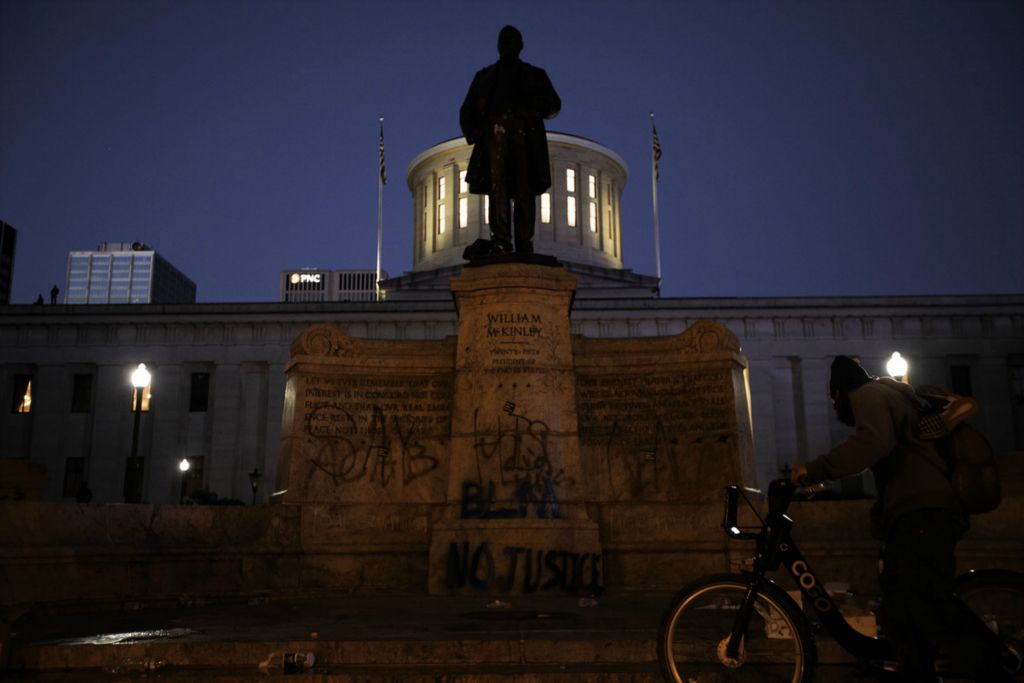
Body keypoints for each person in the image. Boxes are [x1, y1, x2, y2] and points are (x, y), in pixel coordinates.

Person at [791, 356, 1010, 682]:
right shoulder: (893, 397)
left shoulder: (867, 394)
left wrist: (813, 468)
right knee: (899, 613)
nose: (838, 410)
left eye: (834, 400)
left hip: (922, 512)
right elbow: (891, 455)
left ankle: (993, 668)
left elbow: (872, 443)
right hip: (918, 512)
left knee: (927, 603)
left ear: (840, 393)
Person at [460, 25, 560, 255]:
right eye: (503, 40)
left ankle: (525, 242)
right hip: (494, 140)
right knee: (498, 191)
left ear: (520, 45)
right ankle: (501, 240)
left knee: (525, 191)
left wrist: (528, 108)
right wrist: (474, 130)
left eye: (511, 39)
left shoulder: (535, 75)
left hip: (525, 139)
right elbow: (467, 110)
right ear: (498, 46)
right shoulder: (484, 77)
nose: (506, 44)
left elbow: (554, 105)